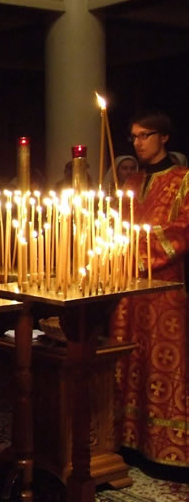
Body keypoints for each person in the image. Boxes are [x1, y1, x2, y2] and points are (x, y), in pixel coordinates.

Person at [110, 110, 189, 468]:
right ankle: (127, 439)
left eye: (145, 135)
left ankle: (164, 448)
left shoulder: (183, 180)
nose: (138, 143)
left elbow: (181, 231)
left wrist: (133, 249)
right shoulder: (130, 183)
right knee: (128, 360)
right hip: (128, 290)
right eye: (134, 137)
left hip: (164, 292)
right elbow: (115, 227)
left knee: (162, 368)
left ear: (164, 137)